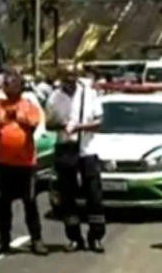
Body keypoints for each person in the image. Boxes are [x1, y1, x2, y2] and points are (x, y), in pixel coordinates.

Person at [45, 68, 105, 253]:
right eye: (65, 80)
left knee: (93, 194)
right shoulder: (54, 97)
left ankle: (95, 236)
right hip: (65, 149)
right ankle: (74, 237)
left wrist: (79, 127)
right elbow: (48, 124)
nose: (69, 84)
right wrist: (63, 125)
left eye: (72, 79)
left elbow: (99, 122)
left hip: (87, 150)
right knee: (67, 196)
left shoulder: (89, 94)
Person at [0, 74, 47, 255]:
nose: (8, 88)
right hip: (4, 163)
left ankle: (36, 239)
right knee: (3, 203)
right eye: (6, 85)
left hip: (25, 164)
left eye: (12, 84)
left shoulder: (28, 106)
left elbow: (33, 122)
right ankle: (3, 239)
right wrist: (6, 117)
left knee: (30, 202)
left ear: (20, 87)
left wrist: (19, 116)